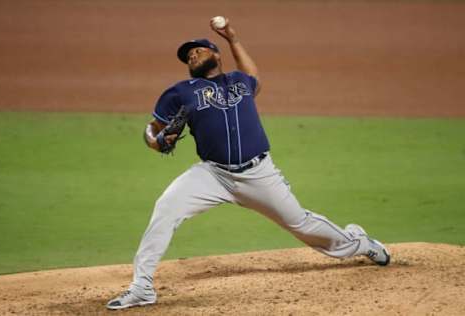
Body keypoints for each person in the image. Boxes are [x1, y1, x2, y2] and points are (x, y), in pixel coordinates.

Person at [106, 18, 390, 310]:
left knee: (301, 223)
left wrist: (232, 38)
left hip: (259, 174)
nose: (192, 55)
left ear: (216, 55)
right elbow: (152, 129)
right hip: (213, 175)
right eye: (188, 56)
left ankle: (360, 243)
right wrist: (155, 141)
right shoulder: (181, 91)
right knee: (165, 208)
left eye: (198, 50)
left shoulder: (240, 81)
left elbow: (254, 74)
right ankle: (142, 287)